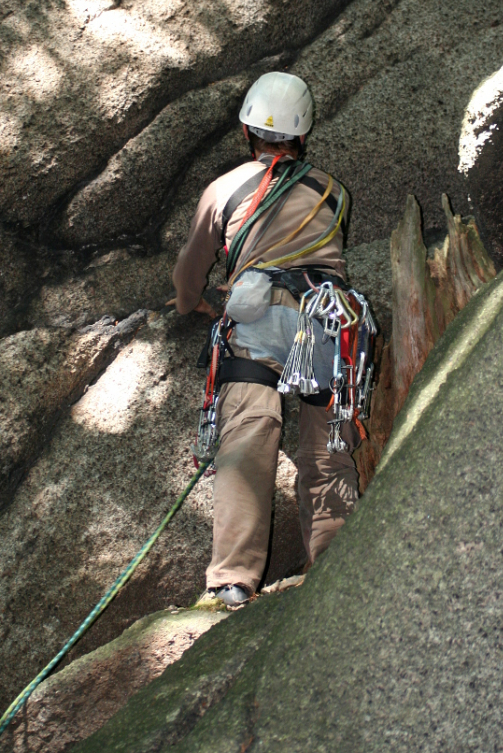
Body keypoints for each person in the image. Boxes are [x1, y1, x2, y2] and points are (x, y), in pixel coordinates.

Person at [172, 71, 361, 607]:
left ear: (248, 131)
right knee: (327, 452)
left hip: (258, 316)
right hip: (328, 322)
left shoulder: (224, 188)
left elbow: (190, 272)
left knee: (250, 432)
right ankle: (338, 562)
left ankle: (232, 580)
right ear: (302, 135)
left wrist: (194, 301)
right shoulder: (333, 191)